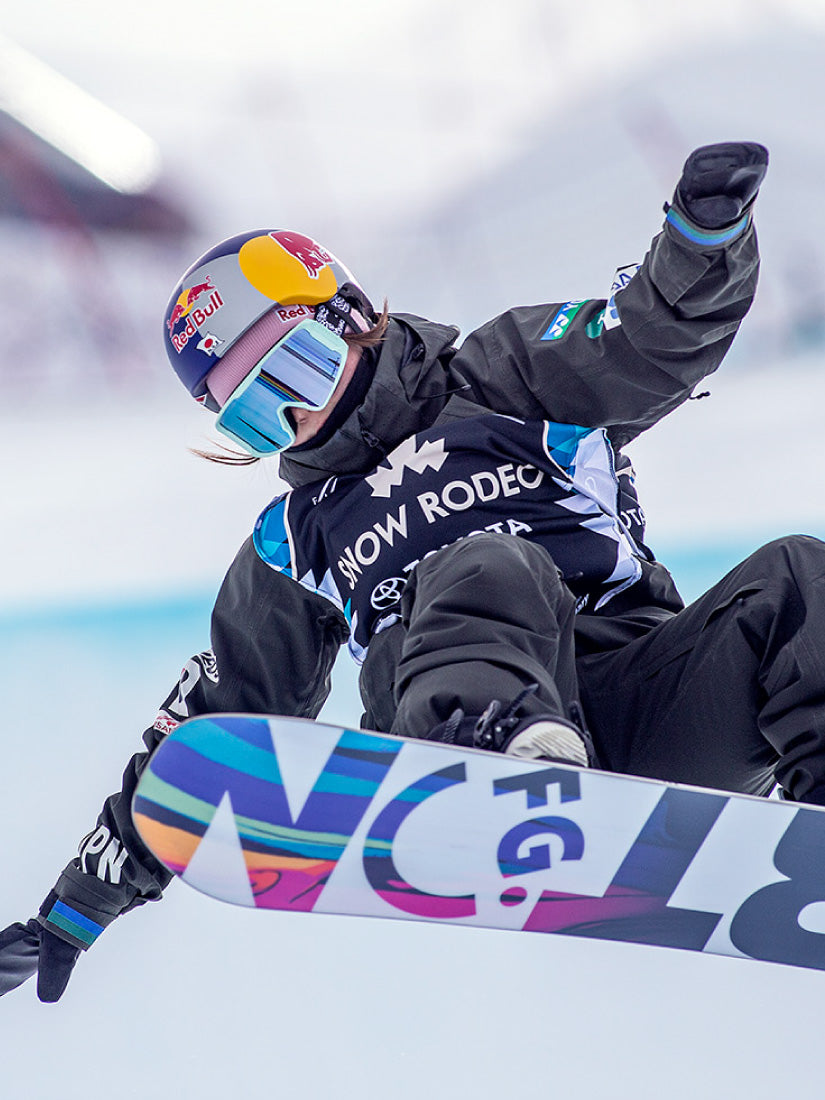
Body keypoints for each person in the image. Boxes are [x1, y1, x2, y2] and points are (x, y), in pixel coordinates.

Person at [4, 140, 803, 1006]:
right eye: (258, 418)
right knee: (486, 562)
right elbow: (212, 729)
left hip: (644, 705)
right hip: (449, 739)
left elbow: (651, 335)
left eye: (297, 369)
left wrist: (701, 237)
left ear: (349, 316)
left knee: (798, 579)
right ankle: (497, 769)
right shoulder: (293, 541)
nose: (297, 414)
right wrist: (75, 910)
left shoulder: (508, 377)